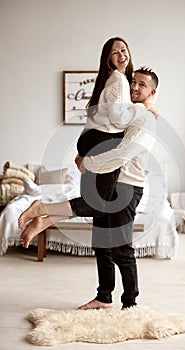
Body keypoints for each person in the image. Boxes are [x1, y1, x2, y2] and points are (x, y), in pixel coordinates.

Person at [18, 37, 158, 310]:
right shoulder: (127, 109)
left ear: (153, 92)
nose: (135, 87)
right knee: (102, 246)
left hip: (127, 186)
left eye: (142, 84)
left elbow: (122, 154)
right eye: (134, 82)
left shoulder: (144, 118)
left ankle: (130, 304)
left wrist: (87, 163)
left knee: (120, 249)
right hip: (110, 180)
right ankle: (104, 297)